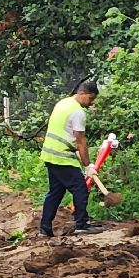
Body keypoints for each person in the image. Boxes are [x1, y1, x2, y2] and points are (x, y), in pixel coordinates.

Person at [40, 79, 101, 237]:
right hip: (62, 156)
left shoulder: (63, 103)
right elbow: (80, 141)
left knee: (55, 192)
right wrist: (88, 166)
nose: (91, 103)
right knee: (80, 189)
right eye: (90, 98)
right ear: (82, 93)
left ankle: (45, 228)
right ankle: (82, 224)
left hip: (50, 154)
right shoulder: (78, 112)